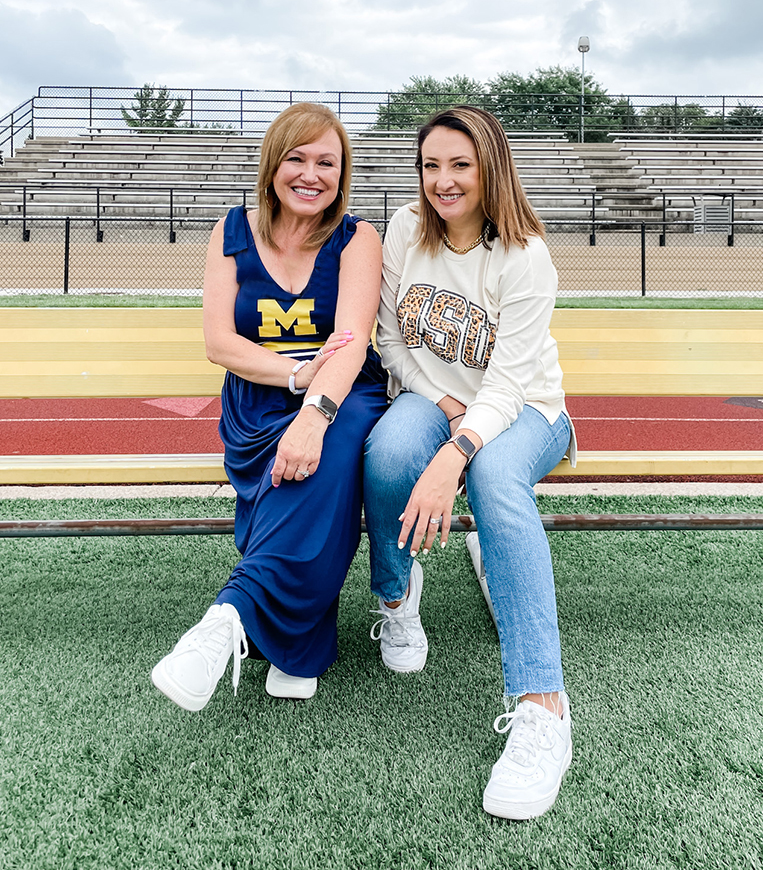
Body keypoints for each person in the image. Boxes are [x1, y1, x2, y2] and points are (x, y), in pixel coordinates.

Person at [363, 106, 576, 820]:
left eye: (459, 165)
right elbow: (390, 342)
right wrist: (441, 408)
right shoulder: (402, 229)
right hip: (438, 398)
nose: (443, 182)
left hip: (527, 412)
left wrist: (456, 450)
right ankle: (396, 599)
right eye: (431, 165)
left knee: (489, 476)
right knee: (390, 451)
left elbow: (512, 384)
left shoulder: (524, 255)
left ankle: (541, 706)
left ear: (490, 168)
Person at [152, 103, 387, 709]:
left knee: (323, 459)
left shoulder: (358, 238)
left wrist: (315, 413)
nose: (311, 174)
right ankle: (297, 645)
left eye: (327, 163)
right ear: (272, 162)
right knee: (309, 494)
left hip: (343, 394)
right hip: (256, 406)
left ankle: (222, 626)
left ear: (342, 173)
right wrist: (293, 376)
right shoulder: (231, 230)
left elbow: (354, 339)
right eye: (297, 158)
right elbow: (218, 343)